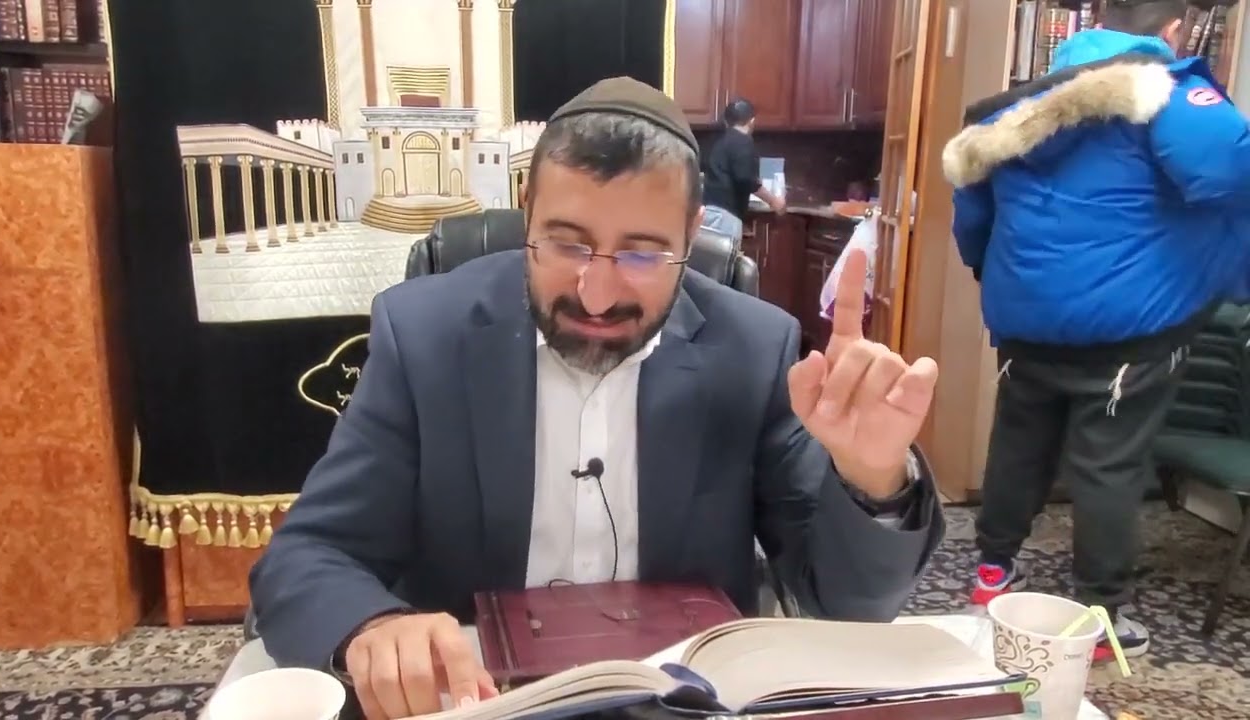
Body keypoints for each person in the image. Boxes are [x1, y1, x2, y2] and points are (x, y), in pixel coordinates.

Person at [250, 76, 944, 720]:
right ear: (528, 213)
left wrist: (872, 476)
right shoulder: (424, 335)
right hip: (477, 701)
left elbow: (846, 606)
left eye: (642, 254)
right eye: (566, 244)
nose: (598, 294)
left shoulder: (754, 349)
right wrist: (372, 626)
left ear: (691, 233)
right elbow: (306, 557)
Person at [942, 0, 1250, 662]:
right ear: (1172, 29)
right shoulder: (1170, 96)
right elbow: (1227, 171)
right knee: (1108, 465)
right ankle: (1101, 617)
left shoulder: (1017, 107)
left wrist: (1003, 281)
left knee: (1018, 444)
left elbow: (972, 220)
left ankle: (992, 575)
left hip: (1025, 321)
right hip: (1129, 326)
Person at [700, 98, 786, 241]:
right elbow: (746, 180)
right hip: (725, 216)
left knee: (711, 254)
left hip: (708, 213)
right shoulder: (744, 142)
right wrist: (774, 202)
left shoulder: (719, 143)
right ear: (752, 121)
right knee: (726, 255)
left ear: (726, 122)